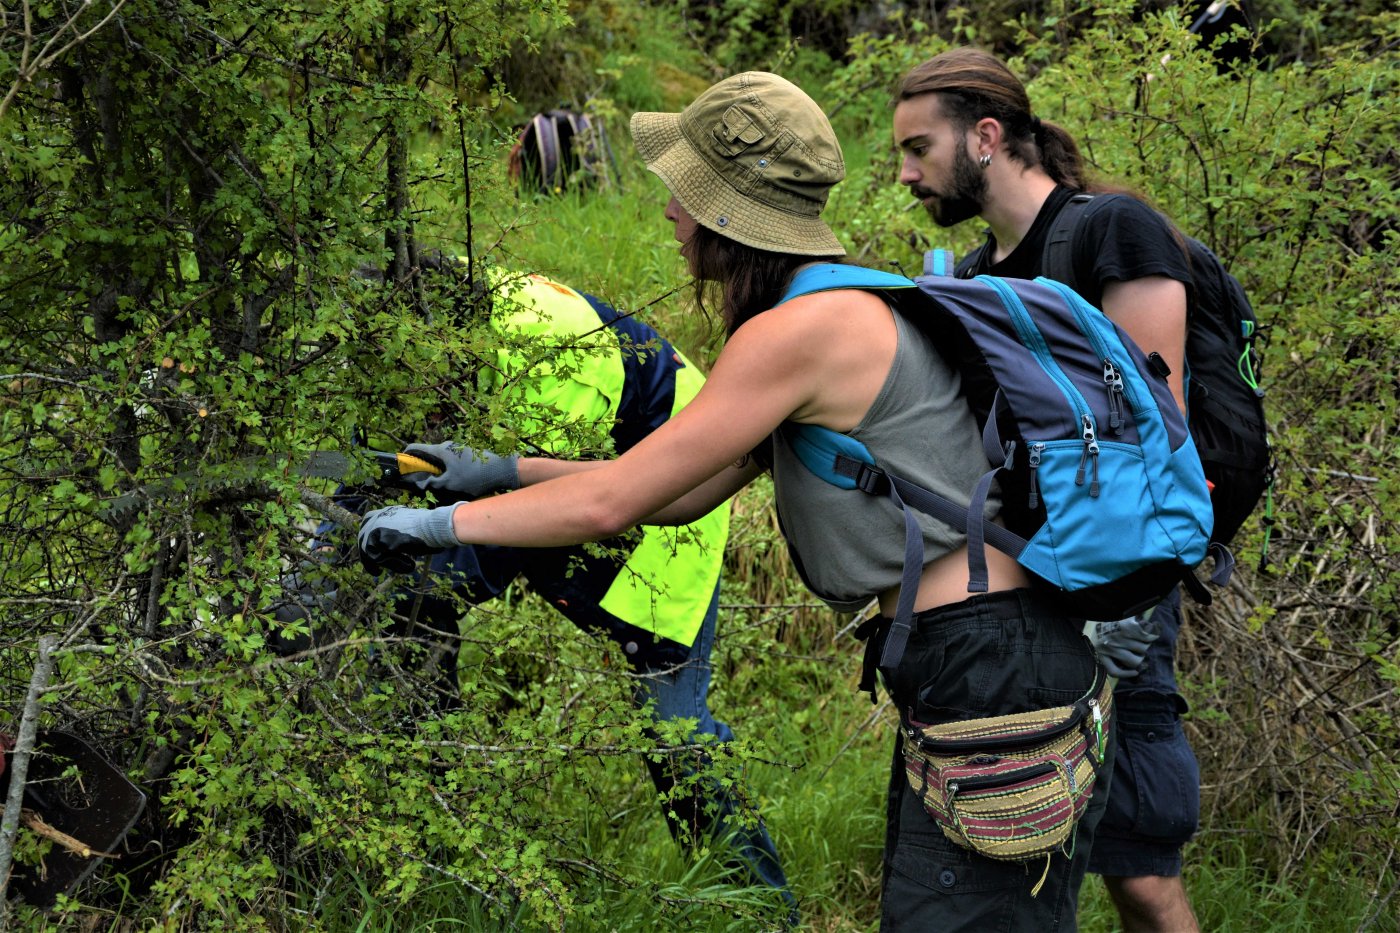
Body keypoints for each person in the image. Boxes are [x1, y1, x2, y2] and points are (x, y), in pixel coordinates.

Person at [355, 70, 1117, 931]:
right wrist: (496, 471)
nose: (669, 214)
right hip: (984, 659)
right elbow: (674, 492)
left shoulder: (802, 333)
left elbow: (614, 502)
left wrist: (434, 527)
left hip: (989, 667)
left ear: (726, 211)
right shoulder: (831, 307)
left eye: (682, 192)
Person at [282, 266, 794, 909]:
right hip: (587, 490)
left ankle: (758, 909)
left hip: (673, 509)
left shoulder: (552, 362)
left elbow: (546, 517)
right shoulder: (425, 311)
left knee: (675, 732)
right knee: (414, 608)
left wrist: (424, 532)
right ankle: (420, 837)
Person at [891, 47, 1203, 932]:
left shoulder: (1114, 231)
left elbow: (1158, 435)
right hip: (1028, 593)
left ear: (986, 137)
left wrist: (1122, 625)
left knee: (1140, 867)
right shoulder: (983, 273)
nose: (907, 173)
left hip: (1117, 589)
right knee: (1037, 846)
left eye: (919, 148)